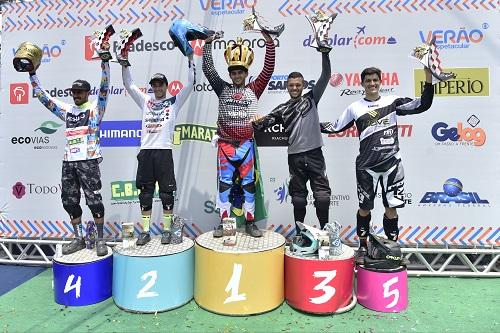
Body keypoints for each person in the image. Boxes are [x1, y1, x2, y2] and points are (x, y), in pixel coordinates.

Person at [320, 66, 434, 259]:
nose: (372, 84)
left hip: (392, 164)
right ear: (362, 84)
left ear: (381, 82)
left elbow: (422, 104)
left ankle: (393, 248)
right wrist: (309, 123)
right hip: (366, 167)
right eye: (368, 81)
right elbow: (335, 127)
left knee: (392, 207)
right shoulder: (354, 108)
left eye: (375, 80)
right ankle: (362, 245)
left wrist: (428, 77)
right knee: (365, 208)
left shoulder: (392, 102)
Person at [28, 60, 110, 256]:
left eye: (79, 92)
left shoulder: (95, 110)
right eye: (73, 91)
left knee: (94, 201)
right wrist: (32, 74)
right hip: (68, 162)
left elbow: (105, 88)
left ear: (87, 93)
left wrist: (105, 63)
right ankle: (79, 238)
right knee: (69, 201)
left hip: (88, 161)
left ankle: (100, 240)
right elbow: (43, 97)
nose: (76, 94)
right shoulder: (67, 111)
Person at [202, 32, 275, 238]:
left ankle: (250, 223)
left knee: (248, 184)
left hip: (245, 146)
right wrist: (207, 45)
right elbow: (209, 70)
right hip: (225, 145)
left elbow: (268, 70)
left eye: (240, 72)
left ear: (245, 72)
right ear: (230, 74)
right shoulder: (222, 88)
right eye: (233, 72)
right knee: (224, 185)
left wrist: (269, 42)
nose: (236, 75)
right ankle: (225, 223)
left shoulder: (254, 89)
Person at [252, 49, 332, 232]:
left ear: (303, 85)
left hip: (314, 154)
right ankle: (300, 234)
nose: (294, 88)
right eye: (291, 85)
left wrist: (325, 54)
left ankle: (326, 233)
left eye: (298, 85)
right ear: (287, 87)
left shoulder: (312, 98)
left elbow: (326, 75)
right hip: (294, 157)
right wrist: (253, 121)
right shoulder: (282, 109)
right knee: (298, 198)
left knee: (322, 197)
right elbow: (261, 125)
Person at [121, 53, 195, 246]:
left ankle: (167, 230)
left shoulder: (174, 102)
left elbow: (191, 82)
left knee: (166, 194)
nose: (157, 87)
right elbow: (129, 85)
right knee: (145, 193)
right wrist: (125, 64)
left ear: (166, 86)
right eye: (154, 84)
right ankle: (145, 232)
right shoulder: (145, 100)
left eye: (161, 84)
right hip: (146, 151)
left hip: (164, 151)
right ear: (152, 87)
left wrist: (190, 58)